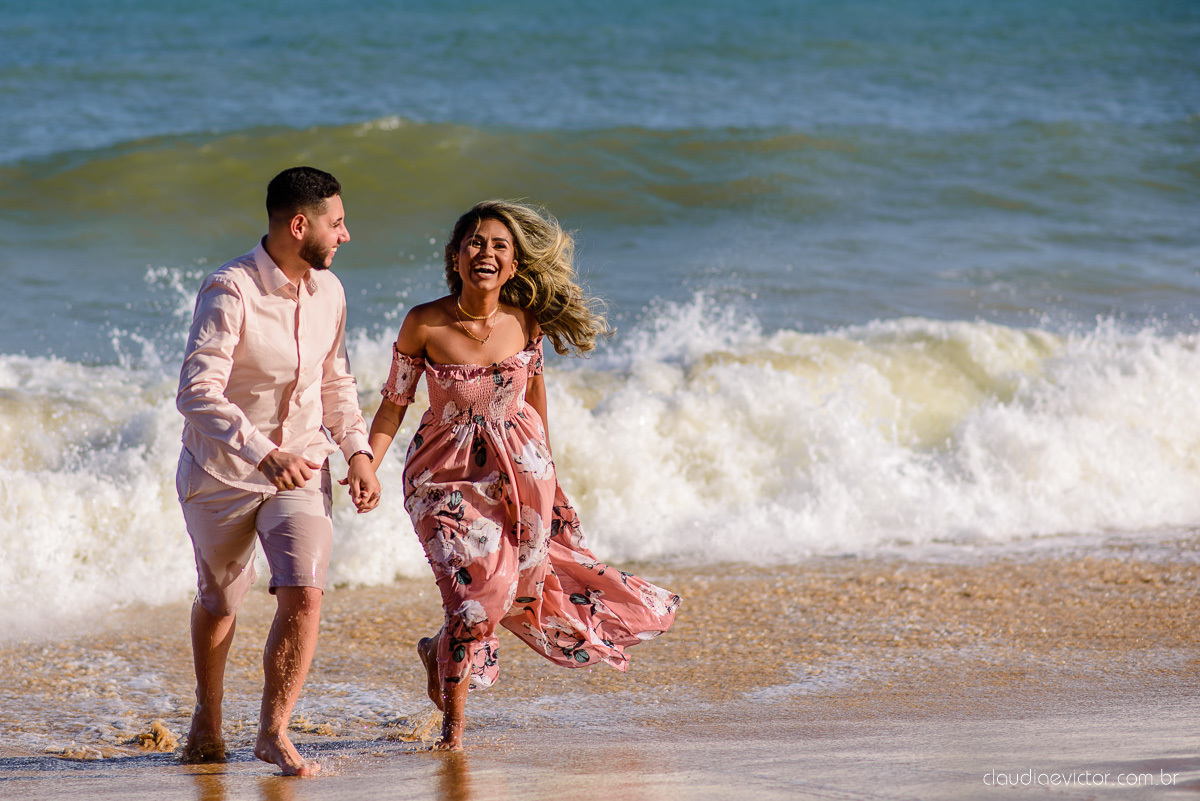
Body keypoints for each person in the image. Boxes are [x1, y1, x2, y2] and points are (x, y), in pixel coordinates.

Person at [366, 200, 680, 751]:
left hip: (520, 472)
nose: (485, 252)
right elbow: (394, 404)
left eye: (499, 245)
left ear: (513, 265)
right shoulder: (424, 322)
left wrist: (548, 475)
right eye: (475, 242)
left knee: (506, 589)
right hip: (442, 478)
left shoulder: (525, 321)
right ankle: (453, 735)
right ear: (455, 257)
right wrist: (366, 463)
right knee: (473, 600)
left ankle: (438, 649)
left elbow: (535, 397)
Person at [175, 166, 381, 775]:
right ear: (299, 225)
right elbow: (196, 392)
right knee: (220, 600)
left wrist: (358, 452)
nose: (345, 234)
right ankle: (208, 716)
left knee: (305, 590)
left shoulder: (331, 292)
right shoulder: (230, 290)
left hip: (304, 464)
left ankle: (273, 730)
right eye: (336, 223)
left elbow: (336, 382)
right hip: (223, 473)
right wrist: (263, 451)